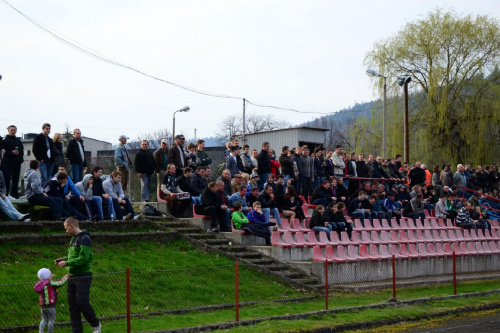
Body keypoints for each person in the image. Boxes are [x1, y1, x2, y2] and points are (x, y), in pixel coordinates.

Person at [55, 217, 101, 333]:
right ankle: (76, 330)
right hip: (72, 276)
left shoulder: (85, 239)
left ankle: (96, 325)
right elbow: (73, 256)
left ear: (72, 225)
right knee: (72, 304)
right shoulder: (73, 238)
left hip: (83, 275)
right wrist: (63, 259)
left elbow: (84, 258)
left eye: (66, 228)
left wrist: (67, 263)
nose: (66, 231)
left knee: (82, 302)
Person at [33, 268, 69, 333]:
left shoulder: (40, 284)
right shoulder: (50, 283)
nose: (51, 276)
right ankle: (50, 332)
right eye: (50, 275)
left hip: (43, 305)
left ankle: (40, 331)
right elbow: (60, 283)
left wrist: (54, 292)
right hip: (50, 305)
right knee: (51, 320)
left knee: (44, 319)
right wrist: (65, 277)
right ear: (47, 276)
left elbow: (46, 292)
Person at [1, 125, 24, 198]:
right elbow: (3, 152)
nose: (13, 132)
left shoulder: (18, 141)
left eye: (14, 130)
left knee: (16, 179)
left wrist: (21, 158)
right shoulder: (4, 141)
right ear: (8, 131)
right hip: (8, 162)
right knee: (7, 179)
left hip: (17, 162)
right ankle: (6, 194)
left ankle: (14, 194)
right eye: (11, 130)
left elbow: (21, 150)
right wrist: (11, 152)